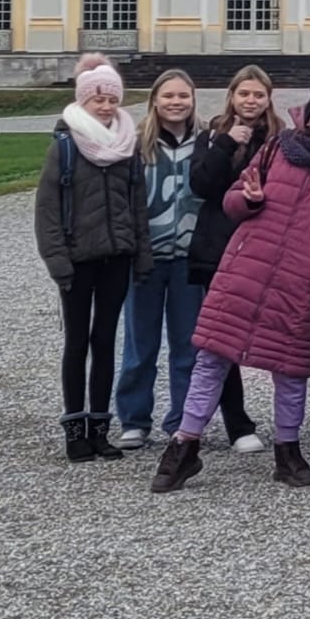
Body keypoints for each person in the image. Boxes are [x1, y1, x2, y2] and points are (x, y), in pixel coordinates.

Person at [152, 86, 310, 494]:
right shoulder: (277, 149)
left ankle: (288, 450)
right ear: (307, 117)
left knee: (290, 369)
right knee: (212, 357)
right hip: (246, 268)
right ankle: (184, 445)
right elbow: (230, 201)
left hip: (299, 278)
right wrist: (248, 200)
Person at [34, 54, 151, 462]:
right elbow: (47, 211)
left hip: (116, 257)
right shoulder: (65, 148)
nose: (104, 106)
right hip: (78, 259)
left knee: (105, 342)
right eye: (96, 99)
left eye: (110, 99)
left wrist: (142, 256)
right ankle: (74, 428)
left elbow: (137, 206)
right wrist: (58, 263)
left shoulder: (126, 146)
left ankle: (100, 427)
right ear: (82, 102)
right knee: (76, 343)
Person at [186, 65, 282, 454]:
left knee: (275, 335)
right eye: (244, 94)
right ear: (232, 96)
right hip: (219, 246)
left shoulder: (279, 140)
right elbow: (202, 186)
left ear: (268, 98)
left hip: (263, 247)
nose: (251, 101)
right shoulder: (212, 135)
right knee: (221, 339)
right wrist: (225, 143)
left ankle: (287, 425)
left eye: (258, 94)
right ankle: (237, 422)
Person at [116, 69, 203, 449]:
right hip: (146, 256)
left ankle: (183, 419)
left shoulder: (205, 141)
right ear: (155, 100)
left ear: (192, 100)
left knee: (188, 344)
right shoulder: (135, 144)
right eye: (168, 96)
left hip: (188, 256)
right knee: (140, 343)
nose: (176, 102)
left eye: (183, 95)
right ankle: (134, 419)